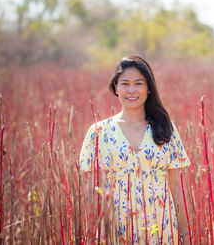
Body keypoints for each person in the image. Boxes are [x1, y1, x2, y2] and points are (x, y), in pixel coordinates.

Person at [79, 56, 191, 244]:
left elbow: (175, 188)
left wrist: (185, 236)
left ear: (149, 89)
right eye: (125, 84)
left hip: (162, 228)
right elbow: (90, 194)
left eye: (138, 83)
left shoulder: (166, 129)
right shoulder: (98, 133)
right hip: (117, 230)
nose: (131, 90)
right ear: (116, 88)